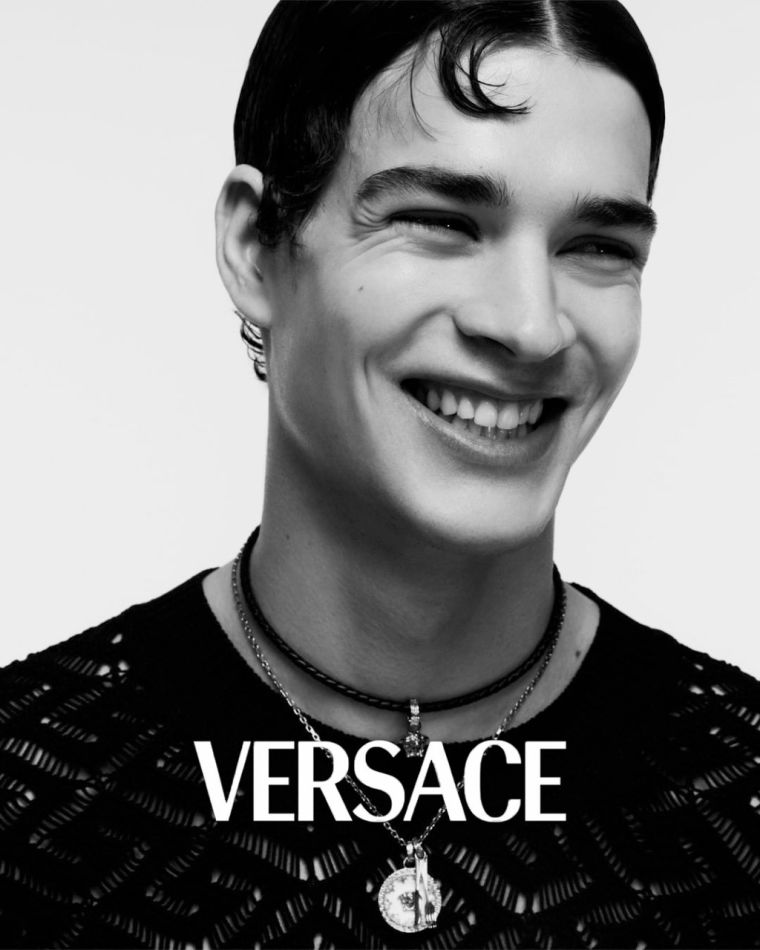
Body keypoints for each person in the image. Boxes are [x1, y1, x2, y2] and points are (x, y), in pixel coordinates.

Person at [1, 1, 758, 947]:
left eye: (598, 246)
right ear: (254, 248)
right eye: (440, 221)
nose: (531, 326)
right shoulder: (25, 797)